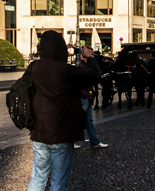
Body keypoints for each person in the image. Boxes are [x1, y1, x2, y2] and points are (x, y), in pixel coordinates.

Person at [26, 30, 101, 191]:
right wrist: (90, 58)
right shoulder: (63, 70)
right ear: (59, 48)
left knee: (38, 178)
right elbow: (94, 76)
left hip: (39, 132)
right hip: (60, 132)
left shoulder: (34, 67)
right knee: (58, 183)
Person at [74, 46, 108, 149]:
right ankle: (72, 141)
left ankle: (94, 142)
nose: (92, 57)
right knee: (79, 119)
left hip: (87, 96)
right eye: (91, 55)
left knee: (89, 120)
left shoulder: (83, 66)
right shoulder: (82, 67)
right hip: (84, 96)